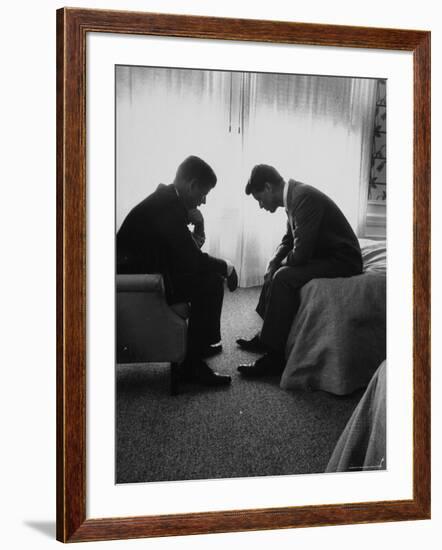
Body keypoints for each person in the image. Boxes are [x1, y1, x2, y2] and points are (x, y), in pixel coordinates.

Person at [117, 155, 238, 387]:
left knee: (209, 277)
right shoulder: (167, 207)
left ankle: (200, 346)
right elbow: (192, 259)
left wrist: (198, 225)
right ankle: (190, 367)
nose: (203, 202)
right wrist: (227, 267)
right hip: (140, 284)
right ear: (191, 185)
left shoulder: (167, 200)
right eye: (203, 194)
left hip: (148, 274)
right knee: (211, 282)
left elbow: (183, 252)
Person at [237, 164, 363, 378]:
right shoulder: (293, 197)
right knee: (275, 268)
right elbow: (289, 239)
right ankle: (266, 336)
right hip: (325, 253)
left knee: (283, 277)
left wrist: (280, 265)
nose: (260, 205)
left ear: (268, 187)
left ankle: (275, 358)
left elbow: (301, 254)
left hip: (343, 259)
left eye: (259, 199)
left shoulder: (303, 198)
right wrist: (274, 260)